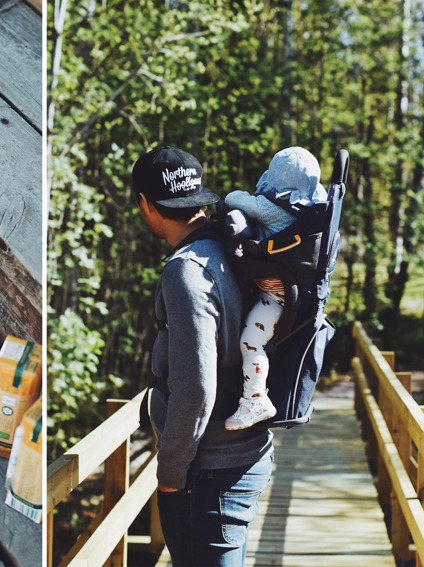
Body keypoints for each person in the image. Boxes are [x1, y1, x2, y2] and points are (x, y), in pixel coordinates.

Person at [132, 146, 273, 567]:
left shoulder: (186, 270)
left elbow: (195, 388)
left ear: (146, 204)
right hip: (246, 456)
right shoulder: (233, 246)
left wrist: (170, 474)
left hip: (210, 474)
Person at [223, 147, 327, 431]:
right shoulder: (317, 212)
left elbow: (233, 198)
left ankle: (255, 399)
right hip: (299, 293)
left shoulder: (269, 207)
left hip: (274, 296)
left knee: (250, 342)